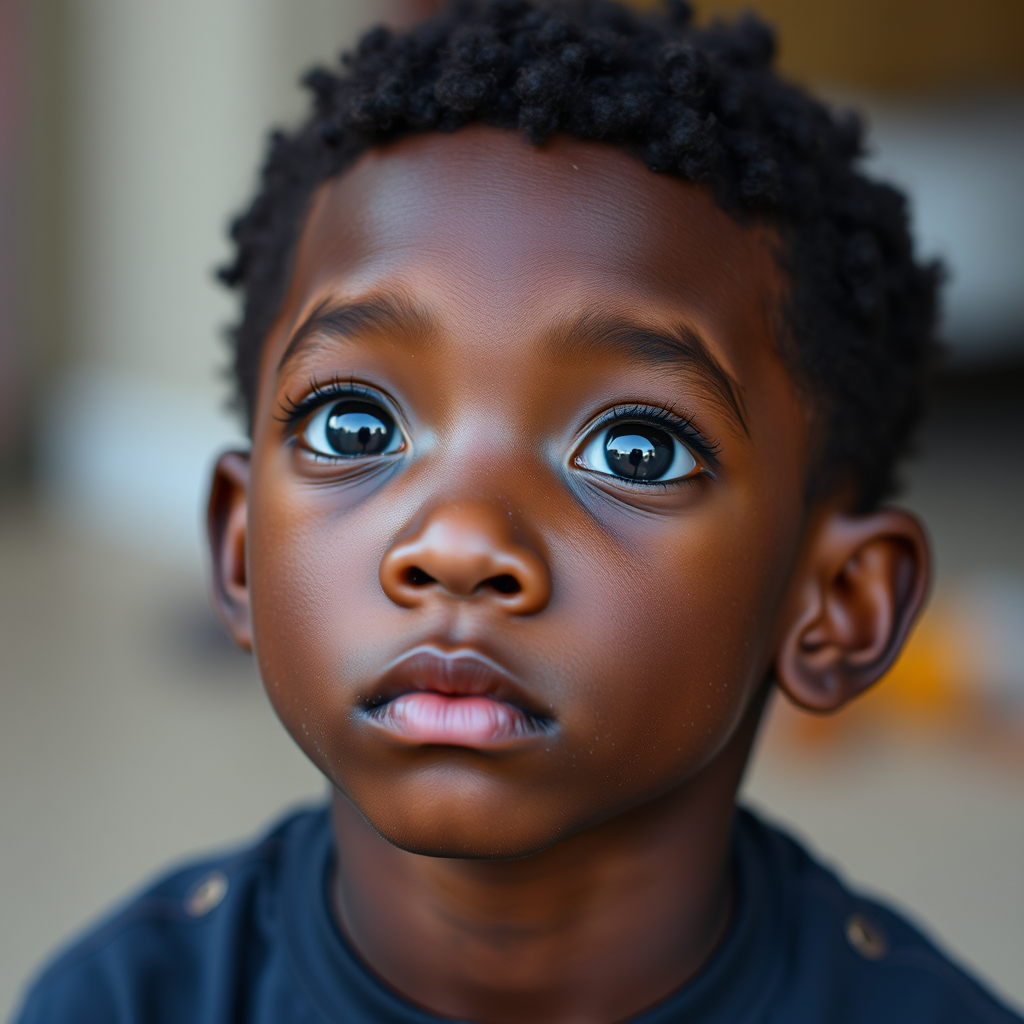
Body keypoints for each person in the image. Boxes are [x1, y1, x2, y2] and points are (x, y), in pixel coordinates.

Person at [14, 1, 1022, 1021]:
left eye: (635, 452)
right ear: (239, 548)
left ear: (836, 602)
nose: (458, 542)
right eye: (354, 428)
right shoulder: (121, 1004)